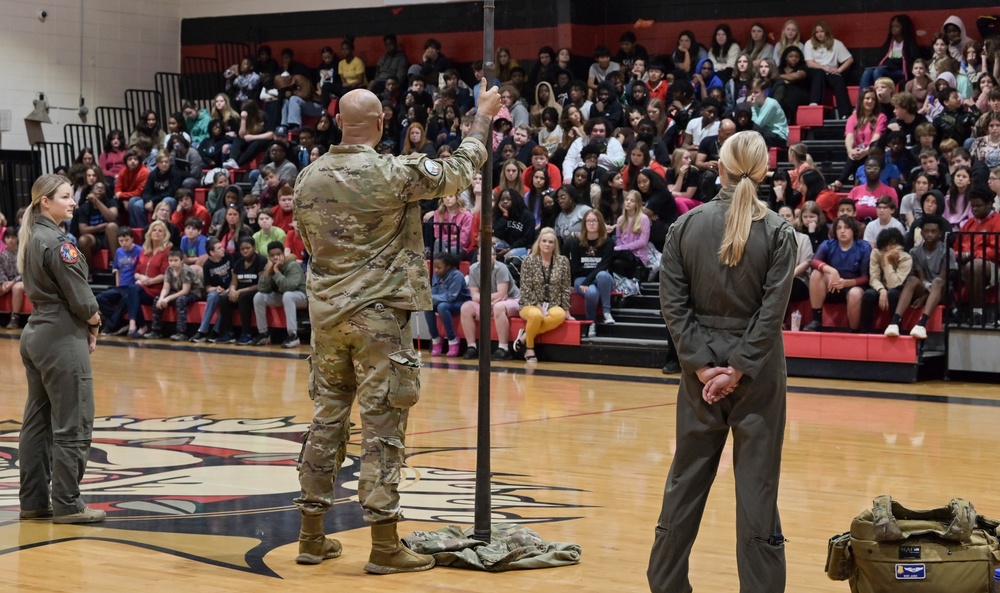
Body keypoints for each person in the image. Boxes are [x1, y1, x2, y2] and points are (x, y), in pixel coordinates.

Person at [289, 79, 499, 572]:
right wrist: (483, 117)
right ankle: (384, 545)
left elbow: (308, 240)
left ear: (338, 122)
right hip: (379, 319)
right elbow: (458, 171)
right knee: (383, 427)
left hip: (326, 318)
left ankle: (310, 536)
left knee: (326, 421)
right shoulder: (389, 173)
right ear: (382, 123)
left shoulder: (308, 178)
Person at [648, 130, 795, 593]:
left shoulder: (685, 226)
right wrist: (739, 368)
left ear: (720, 168)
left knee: (685, 481)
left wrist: (700, 365)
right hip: (758, 372)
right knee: (757, 489)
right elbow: (772, 312)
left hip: (701, 373)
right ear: (764, 170)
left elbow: (672, 304)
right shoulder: (778, 232)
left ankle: (666, 584)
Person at [16, 174, 106, 524]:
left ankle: (34, 501)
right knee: (74, 419)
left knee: (37, 422)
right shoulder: (57, 242)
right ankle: (68, 503)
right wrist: (94, 323)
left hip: (36, 330)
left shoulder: (32, 236)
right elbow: (81, 297)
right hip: (61, 334)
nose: (72, 202)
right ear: (45, 202)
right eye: (66, 197)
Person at [885, 215, 951, 339]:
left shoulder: (947, 251)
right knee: (912, 280)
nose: (930, 234)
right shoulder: (914, 252)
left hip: (941, 291)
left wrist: (924, 299)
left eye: (933, 231)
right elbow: (921, 277)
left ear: (940, 233)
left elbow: (943, 280)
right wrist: (925, 291)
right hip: (925, 287)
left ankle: (922, 324)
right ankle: (894, 322)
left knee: (937, 281)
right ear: (921, 233)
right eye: (926, 231)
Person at [803, 215, 872, 332]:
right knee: (816, 274)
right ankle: (816, 320)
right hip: (832, 285)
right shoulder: (828, 244)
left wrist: (846, 283)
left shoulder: (864, 247)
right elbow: (814, 261)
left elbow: (865, 277)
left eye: (846, 227)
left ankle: (854, 330)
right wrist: (831, 271)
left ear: (853, 230)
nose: (842, 231)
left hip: (853, 285)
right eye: (839, 228)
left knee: (855, 293)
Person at [513, 227, 572, 363]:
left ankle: (524, 335)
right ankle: (529, 348)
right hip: (530, 303)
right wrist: (540, 308)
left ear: (555, 245)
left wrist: (567, 309)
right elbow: (526, 288)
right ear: (538, 243)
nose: (547, 244)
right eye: (544, 241)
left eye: (551, 242)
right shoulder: (529, 260)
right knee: (536, 315)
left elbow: (565, 286)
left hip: (553, 303)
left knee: (559, 315)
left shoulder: (563, 261)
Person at [565, 210, 616, 336]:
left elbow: (605, 265)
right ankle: (591, 322)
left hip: (599, 279)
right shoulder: (576, 242)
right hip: (581, 278)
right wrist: (591, 274)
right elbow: (575, 268)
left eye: (595, 220)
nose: (591, 223)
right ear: (584, 224)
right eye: (588, 221)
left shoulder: (608, 242)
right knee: (592, 292)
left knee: (603, 275)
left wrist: (588, 279)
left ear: (600, 223)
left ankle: (607, 312)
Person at [251, 240, 306, 348]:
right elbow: (262, 289)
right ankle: (264, 334)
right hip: (283, 296)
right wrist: (267, 271)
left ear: (283, 254)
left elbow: (288, 287)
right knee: (258, 297)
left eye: (278, 254)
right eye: (272, 255)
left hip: (301, 296)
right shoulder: (270, 267)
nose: (275, 258)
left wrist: (276, 271)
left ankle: (293, 335)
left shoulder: (293, 265)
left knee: (288, 295)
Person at [145, 249, 204, 341]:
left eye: (176, 260)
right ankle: (156, 331)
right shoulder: (169, 270)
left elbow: (185, 291)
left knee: (181, 300)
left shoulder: (185, 270)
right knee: (157, 299)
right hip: (178, 291)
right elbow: (165, 288)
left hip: (194, 292)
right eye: (170, 261)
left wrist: (167, 298)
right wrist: (161, 298)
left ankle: (182, 332)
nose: (173, 263)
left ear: (182, 260)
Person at [860, 228, 912, 333]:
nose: (892, 247)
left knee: (892, 294)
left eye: (895, 244)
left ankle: (896, 328)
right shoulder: (876, 253)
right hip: (880, 286)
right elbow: (873, 278)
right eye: (888, 244)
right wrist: (881, 290)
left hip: (898, 287)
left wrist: (887, 261)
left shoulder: (906, 258)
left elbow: (894, 283)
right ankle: (865, 332)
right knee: (868, 294)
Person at [0, 228, 26, 328]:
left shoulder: (22, 253)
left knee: (16, 288)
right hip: (7, 280)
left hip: (21, 279)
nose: (11, 240)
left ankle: (15, 318)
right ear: (4, 239)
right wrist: (4, 283)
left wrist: (13, 282)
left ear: (17, 239)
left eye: (13, 237)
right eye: (8, 237)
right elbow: (1, 271)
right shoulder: (2, 255)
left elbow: (24, 272)